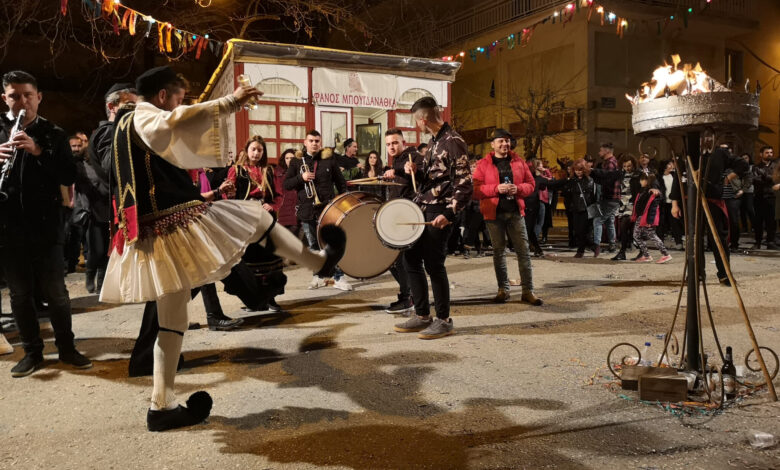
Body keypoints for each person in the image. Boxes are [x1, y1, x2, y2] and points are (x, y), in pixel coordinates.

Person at [100, 65, 345, 431]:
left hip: (152, 231)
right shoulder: (145, 115)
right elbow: (175, 122)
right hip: (172, 225)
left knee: (172, 322)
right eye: (177, 98)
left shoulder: (120, 127)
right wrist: (231, 101)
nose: (177, 106)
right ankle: (318, 264)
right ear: (163, 96)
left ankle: (161, 407)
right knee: (256, 218)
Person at [0, 70, 92, 376]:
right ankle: (32, 352)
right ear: (5, 98)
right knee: (20, 295)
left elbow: (68, 176)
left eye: (28, 95)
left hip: (46, 226)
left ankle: (67, 348)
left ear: (39, 97)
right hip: (8, 228)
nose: (22, 101)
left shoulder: (53, 133)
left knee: (56, 293)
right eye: (14, 96)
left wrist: (38, 151)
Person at [392, 97, 472, 339]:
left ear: (423, 119)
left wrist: (449, 214)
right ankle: (422, 314)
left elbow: (465, 184)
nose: (417, 126)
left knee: (434, 266)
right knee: (411, 259)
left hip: (440, 211)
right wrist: (415, 170)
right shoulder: (434, 141)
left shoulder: (454, 142)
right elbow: (434, 177)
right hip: (423, 207)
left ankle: (444, 319)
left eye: (416, 121)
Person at [472, 129, 542, 305]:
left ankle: (528, 291)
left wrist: (518, 189)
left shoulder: (519, 162)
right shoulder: (483, 164)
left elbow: (531, 185)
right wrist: (496, 189)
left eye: (507, 141)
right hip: (493, 214)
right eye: (501, 141)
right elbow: (475, 189)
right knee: (498, 252)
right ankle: (503, 289)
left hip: (515, 213)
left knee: (523, 252)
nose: (505, 144)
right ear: (493, 144)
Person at [283, 130, 352, 291]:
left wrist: (342, 203)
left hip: (327, 208)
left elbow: (341, 182)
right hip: (307, 209)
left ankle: (338, 277)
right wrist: (302, 177)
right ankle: (318, 276)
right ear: (305, 142)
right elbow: (286, 185)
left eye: (317, 141)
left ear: (320, 143)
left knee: (332, 245)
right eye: (311, 140)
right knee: (313, 246)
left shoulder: (329, 159)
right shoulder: (296, 162)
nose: (314, 143)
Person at [226, 136, 286, 313]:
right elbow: (228, 196)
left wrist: (273, 205)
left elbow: (279, 195)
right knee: (250, 261)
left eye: (260, 150)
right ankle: (254, 300)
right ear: (246, 150)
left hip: (265, 219)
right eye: (253, 149)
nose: (256, 153)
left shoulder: (269, 170)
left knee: (270, 259)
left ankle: (271, 299)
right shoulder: (236, 170)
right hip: (245, 221)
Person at [381, 128, 424, 315]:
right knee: (395, 260)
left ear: (403, 143)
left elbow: (416, 171)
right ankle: (409, 295)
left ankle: (409, 298)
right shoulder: (397, 160)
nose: (391, 146)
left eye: (395, 143)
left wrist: (400, 170)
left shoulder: (412, 156)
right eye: (388, 144)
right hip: (397, 216)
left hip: (408, 217)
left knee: (403, 260)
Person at [546, 159, 597, 257]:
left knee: (583, 231)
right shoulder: (572, 180)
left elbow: (592, 195)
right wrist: (545, 181)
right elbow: (558, 185)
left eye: (580, 170)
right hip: (575, 208)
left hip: (586, 209)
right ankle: (593, 246)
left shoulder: (589, 180)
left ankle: (580, 251)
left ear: (585, 170)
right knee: (577, 231)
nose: (578, 172)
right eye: (577, 170)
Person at [631, 173, 672, 263]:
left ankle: (666, 254)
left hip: (647, 218)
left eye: (642, 179)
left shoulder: (652, 193)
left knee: (651, 235)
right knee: (637, 236)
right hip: (641, 217)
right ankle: (647, 255)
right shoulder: (644, 191)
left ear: (647, 181)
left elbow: (653, 208)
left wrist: (649, 220)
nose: (640, 181)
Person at [591, 143, 620, 255]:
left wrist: (594, 173)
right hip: (613, 197)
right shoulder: (612, 162)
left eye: (601, 150)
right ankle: (612, 244)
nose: (599, 153)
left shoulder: (610, 163)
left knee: (597, 220)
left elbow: (607, 179)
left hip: (610, 197)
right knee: (609, 221)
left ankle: (596, 246)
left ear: (607, 151)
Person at [751, 146, 777, 249]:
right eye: (767, 152)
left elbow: (776, 179)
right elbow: (755, 180)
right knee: (758, 221)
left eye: (771, 152)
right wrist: (769, 179)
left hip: (771, 197)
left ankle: (770, 242)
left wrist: (765, 176)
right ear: (761, 154)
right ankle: (757, 242)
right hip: (759, 197)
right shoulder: (756, 167)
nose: (770, 154)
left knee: (771, 221)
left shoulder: (776, 166)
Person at [657, 160, 684, 251]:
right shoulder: (659, 177)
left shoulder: (674, 175)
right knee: (661, 223)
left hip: (673, 203)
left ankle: (679, 242)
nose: (671, 165)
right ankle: (660, 242)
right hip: (663, 203)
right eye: (669, 164)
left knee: (675, 223)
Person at [275, 148, 301, 240]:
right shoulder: (278, 173)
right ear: (284, 160)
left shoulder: (300, 173)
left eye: (292, 158)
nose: (289, 160)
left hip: (295, 210)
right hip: (282, 210)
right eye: (287, 158)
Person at [737, 153, 755, 236]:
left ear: (749, 158)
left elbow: (751, 179)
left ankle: (754, 226)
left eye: (746, 158)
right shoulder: (739, 167)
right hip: (740, 190)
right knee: (742, 209)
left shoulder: (752, 167)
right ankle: (744, 227)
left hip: (749, 191)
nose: (744, 159)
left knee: (749, 208)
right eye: (743, 158)